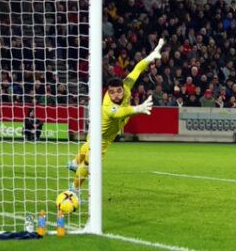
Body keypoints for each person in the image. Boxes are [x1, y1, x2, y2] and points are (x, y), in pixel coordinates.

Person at [67, 39, 165, 194]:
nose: (116, 95)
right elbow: (120, 112)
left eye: (118, 91)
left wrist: (151, 56)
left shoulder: (126, 85)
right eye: (112, 92)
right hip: (103, 137)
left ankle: (73, 162)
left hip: (101, 131)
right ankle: (74, 189)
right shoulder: (108, 106)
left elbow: (137, 69)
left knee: (87, 148)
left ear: (122, 87)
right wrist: (138, 108)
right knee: (89, 165)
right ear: (108, 92)